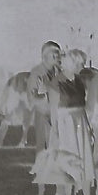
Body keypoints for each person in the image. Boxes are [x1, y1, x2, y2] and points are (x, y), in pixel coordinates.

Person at [32, 49, 98, 195]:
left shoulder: (79, 80)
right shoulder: (56, 82)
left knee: (85, 159)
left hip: (81, 121)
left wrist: (89, 127)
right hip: (65, 124)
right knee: (69, 160)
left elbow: (83, 102)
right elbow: (54, 110)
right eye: (79, 63)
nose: (82, 66)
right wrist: (56, 131)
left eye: (83, 63)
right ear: (71, 63)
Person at [26, 41, 62, 169]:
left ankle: (54, 165)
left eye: (58, 55)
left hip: (58, 111)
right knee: (43, 142)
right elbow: (32, 95)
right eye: (53, 55)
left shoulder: (59, 71)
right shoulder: (37, 72)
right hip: (43, 112)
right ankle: (41, 167)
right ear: (44, 56)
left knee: (56, 139)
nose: (57, 57)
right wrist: (47, 97)